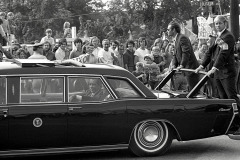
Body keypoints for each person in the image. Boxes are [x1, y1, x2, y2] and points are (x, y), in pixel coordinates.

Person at [195, 15, 240, 135]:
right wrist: (202, 66)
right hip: (219, 74)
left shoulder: (228, 36)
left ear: (225, 23)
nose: (217, 25)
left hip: (227, 73)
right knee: (224, 99)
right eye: (216, 23)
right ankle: (231, 124)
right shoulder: (216, 37)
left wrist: (214, 68)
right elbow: (210, 53)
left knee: (232, 98)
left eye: (220, 23)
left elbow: (223, 54)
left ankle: (238, 124)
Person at [167, 21, 199, 91]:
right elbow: (175, 54)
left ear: (174, 30)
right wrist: (174, 65)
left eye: (168, 29)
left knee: (193, 91)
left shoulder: (182, 38)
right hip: (186, 69)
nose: (167, 31)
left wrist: (182, 65)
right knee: (189, 90)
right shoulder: (176, 39)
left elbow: (186, 52)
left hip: (190, 68)